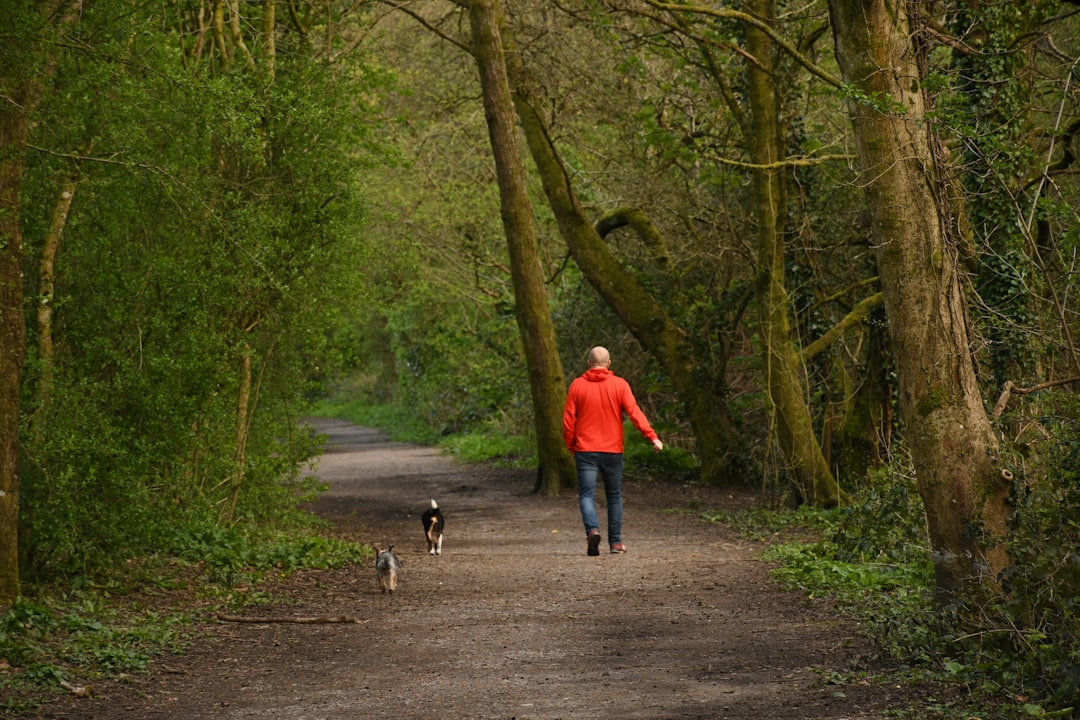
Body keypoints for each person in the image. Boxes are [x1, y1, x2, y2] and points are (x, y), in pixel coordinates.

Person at [562, 346, 663, 556]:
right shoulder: (620, 385)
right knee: (614, 496)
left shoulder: (577, 386)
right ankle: (616, 543)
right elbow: (634, 412)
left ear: (588, 363)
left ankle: (592, 531)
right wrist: (651, 436)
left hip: (585, 450)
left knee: (587, 495)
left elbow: (568, 421)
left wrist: (572, 446)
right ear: (609, 364)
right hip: (612, 451)